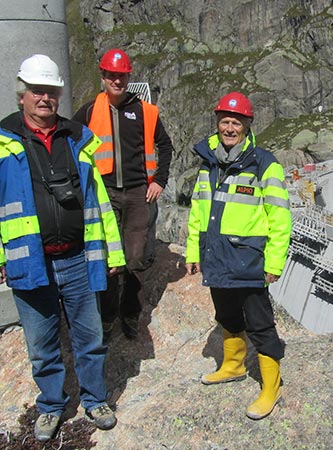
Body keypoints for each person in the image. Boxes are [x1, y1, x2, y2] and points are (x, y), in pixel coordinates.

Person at [0, 54, 125, 442]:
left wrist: (114, 254)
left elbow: (99, 202)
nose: (45, 99)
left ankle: (95, 398)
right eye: (37, 91)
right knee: (41, 345)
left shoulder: (78, 140)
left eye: (51, 92)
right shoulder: (3, 144)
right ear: (22, 95)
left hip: (76, 259)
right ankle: (51, 406)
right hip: (30, 262)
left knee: (90, 339)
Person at [185, 92, 292, 420]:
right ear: (217, 123)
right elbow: (197, 210)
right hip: (217, 258)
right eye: (225, 121)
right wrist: (193, 250)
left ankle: (271, 386)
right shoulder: (209, 164)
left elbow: (280, 217)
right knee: (227, 315)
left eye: (236, 122)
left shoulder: (264, 163)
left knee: (260, 324)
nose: (230, 127)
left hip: (248, 261)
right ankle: (232, 365)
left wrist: (274, 262)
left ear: (247, 125)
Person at [73, 48, 174, 340]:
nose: (117, 81)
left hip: (137, 194)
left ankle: (130, 314)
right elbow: (70, 146)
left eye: (121, 76)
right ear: (103, 77)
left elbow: (165, 146)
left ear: (128, 77)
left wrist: (160, 181)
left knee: (135, 259)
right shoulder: (90, 111)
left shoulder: (145, 110)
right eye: (111, 75)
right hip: (103, 195)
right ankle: (106, 317)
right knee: (106, 259)